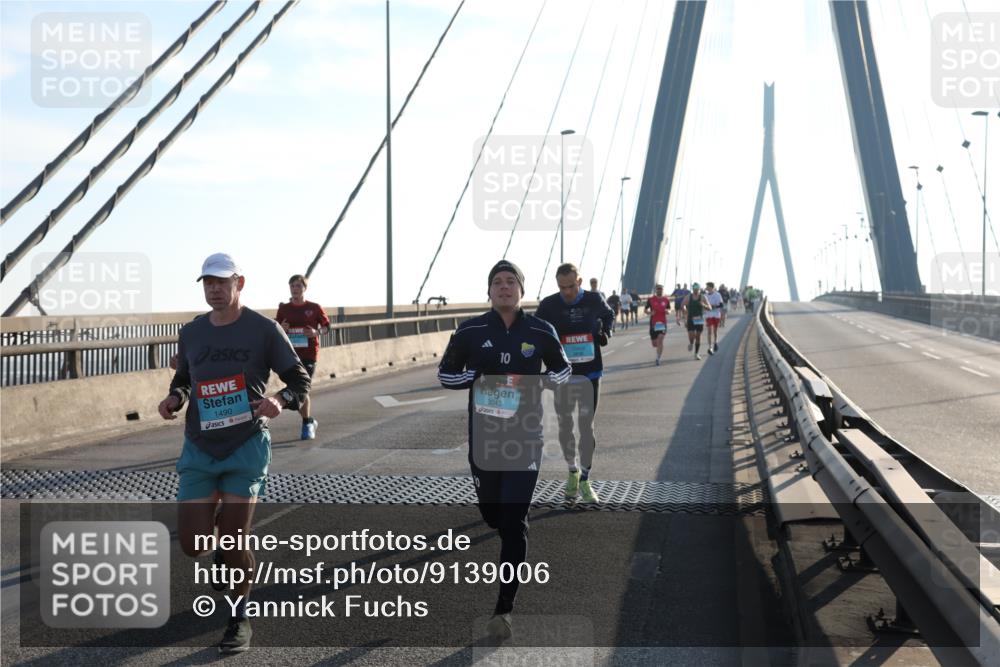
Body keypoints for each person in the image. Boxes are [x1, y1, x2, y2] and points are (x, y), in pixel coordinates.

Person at [157, 253, 310, 654]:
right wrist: (176, 396)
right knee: (192, 544)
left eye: (222, 282)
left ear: (239, 283)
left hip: (246, 444)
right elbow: (185, 377)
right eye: (208, 282)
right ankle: (220, 530)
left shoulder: (264, 329)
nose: (214, 289)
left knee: (233, 541)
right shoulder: (191, 332)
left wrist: (282, 399)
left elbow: (299, 379)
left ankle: (239, 618)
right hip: (200, 447)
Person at [437, 260, 571, 642]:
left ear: (521, 290)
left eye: (511, 281)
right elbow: (445, 374)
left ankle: (504, 608)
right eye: (497, 281)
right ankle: (502, 524)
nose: (504, 286)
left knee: (514, 522)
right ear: (489, 291)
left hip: (526, 438)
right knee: (493, 516)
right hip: (485, 439)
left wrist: (540, 382)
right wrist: (477, 378)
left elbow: (563, 371)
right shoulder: (471, 330)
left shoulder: (541, 330)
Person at [536, 263, 615, 504]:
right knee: (565, 425)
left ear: (579, 282)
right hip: (562, 375)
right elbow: (535, 330)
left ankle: (586, 479)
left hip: (590, 373)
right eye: (561, 287)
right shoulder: (549, 305)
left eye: (570, 286)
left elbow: (609, 315)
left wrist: (606, 332)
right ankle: (572, 470)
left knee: (586, 426)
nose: (566, 292)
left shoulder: (594, 299)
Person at [276, 274, 331, 440]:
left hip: (308, 354)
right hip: (290, 354)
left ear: (304, 288)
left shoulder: (314, 307)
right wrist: (282, 328)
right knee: (297, 387)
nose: (295, 289)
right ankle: (308, 420)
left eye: (298, 286)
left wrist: (316, 332)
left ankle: (306, 423)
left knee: (301, 387)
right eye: (292, 286)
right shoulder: (284, 309)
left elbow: (327, 327)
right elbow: (275, 330)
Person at [680, 282, 712, 360]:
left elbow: (710, 307)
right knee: (692, 336)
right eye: (694, 288)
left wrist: (704, 305)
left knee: (698, 336)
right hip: (690, 318)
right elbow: (682, 305)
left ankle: (696, 353)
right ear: (693, 289)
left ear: (699, 289)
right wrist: (684, 310)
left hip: (699, 319)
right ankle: (691, 343)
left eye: (697, 289)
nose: (696, 290)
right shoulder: (689, 297)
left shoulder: (703, 297)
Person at [644, 284, 671, 366]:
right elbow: (645, 310)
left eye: (661, 289)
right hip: (653, 323)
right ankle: (658, 350)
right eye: (658, 289)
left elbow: (669, 309)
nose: (660, 290)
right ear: (656, 290)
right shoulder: (651, 299)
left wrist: (668, 312)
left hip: (662, 323)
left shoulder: (666, 300)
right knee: (654, 343)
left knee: (660, 340)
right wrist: (650, 312)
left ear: (663, 290)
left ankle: (658, 358)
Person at [703, 282, 724, 355]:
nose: (706, 288)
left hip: (716, 315)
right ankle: (710, 347)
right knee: (709, 332)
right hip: (709, 315)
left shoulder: (717, 295)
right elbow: (703, 305)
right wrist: (705, 307)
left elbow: (721, 305)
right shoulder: (705, 296)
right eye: (706, 287)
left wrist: (712, 307)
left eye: (707, 287)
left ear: (711, 287)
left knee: (715, 331)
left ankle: (715, 343)